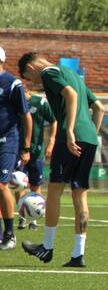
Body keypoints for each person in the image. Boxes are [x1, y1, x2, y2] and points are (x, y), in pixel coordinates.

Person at [19, 51, 104, 267]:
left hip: (70, 137)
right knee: (80, 195)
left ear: (30, 68)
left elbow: (71, 96)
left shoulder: (48, 73)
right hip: (90, 138)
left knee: (55, 191)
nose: (33, 83)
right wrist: (90, 133)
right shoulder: (71, 73)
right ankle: (78, 254)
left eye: (29, 78)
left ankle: (46, 248)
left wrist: (71, 132)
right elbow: (99, 107)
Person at [0, 46, 32, 251]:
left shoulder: (12, 83)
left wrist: (26, 147)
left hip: (7, 141)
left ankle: (9, 234)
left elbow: (26, 116)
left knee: (1, 185)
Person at [16, 85, 57, 231]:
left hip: (36, 151)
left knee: (35, 185)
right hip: (18, 150)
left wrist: (51, 142)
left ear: (26, 91)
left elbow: (54, 121)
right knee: (19, 183)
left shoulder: (40, 102)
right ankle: (22, 217)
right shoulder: (14, 102)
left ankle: (34, 217)